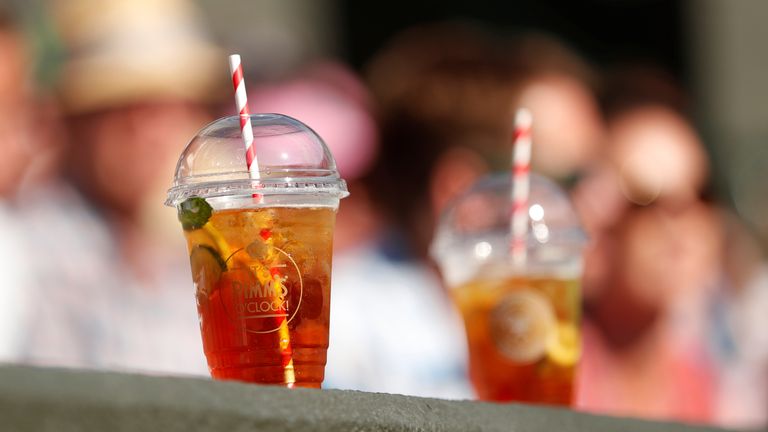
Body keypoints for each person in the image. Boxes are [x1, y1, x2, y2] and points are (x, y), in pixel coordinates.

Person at [11, 0, 223, 376]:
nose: (149, 132)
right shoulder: (22, 248)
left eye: (170, 105)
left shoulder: (195, 251)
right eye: (124, 108)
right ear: (72, 122)